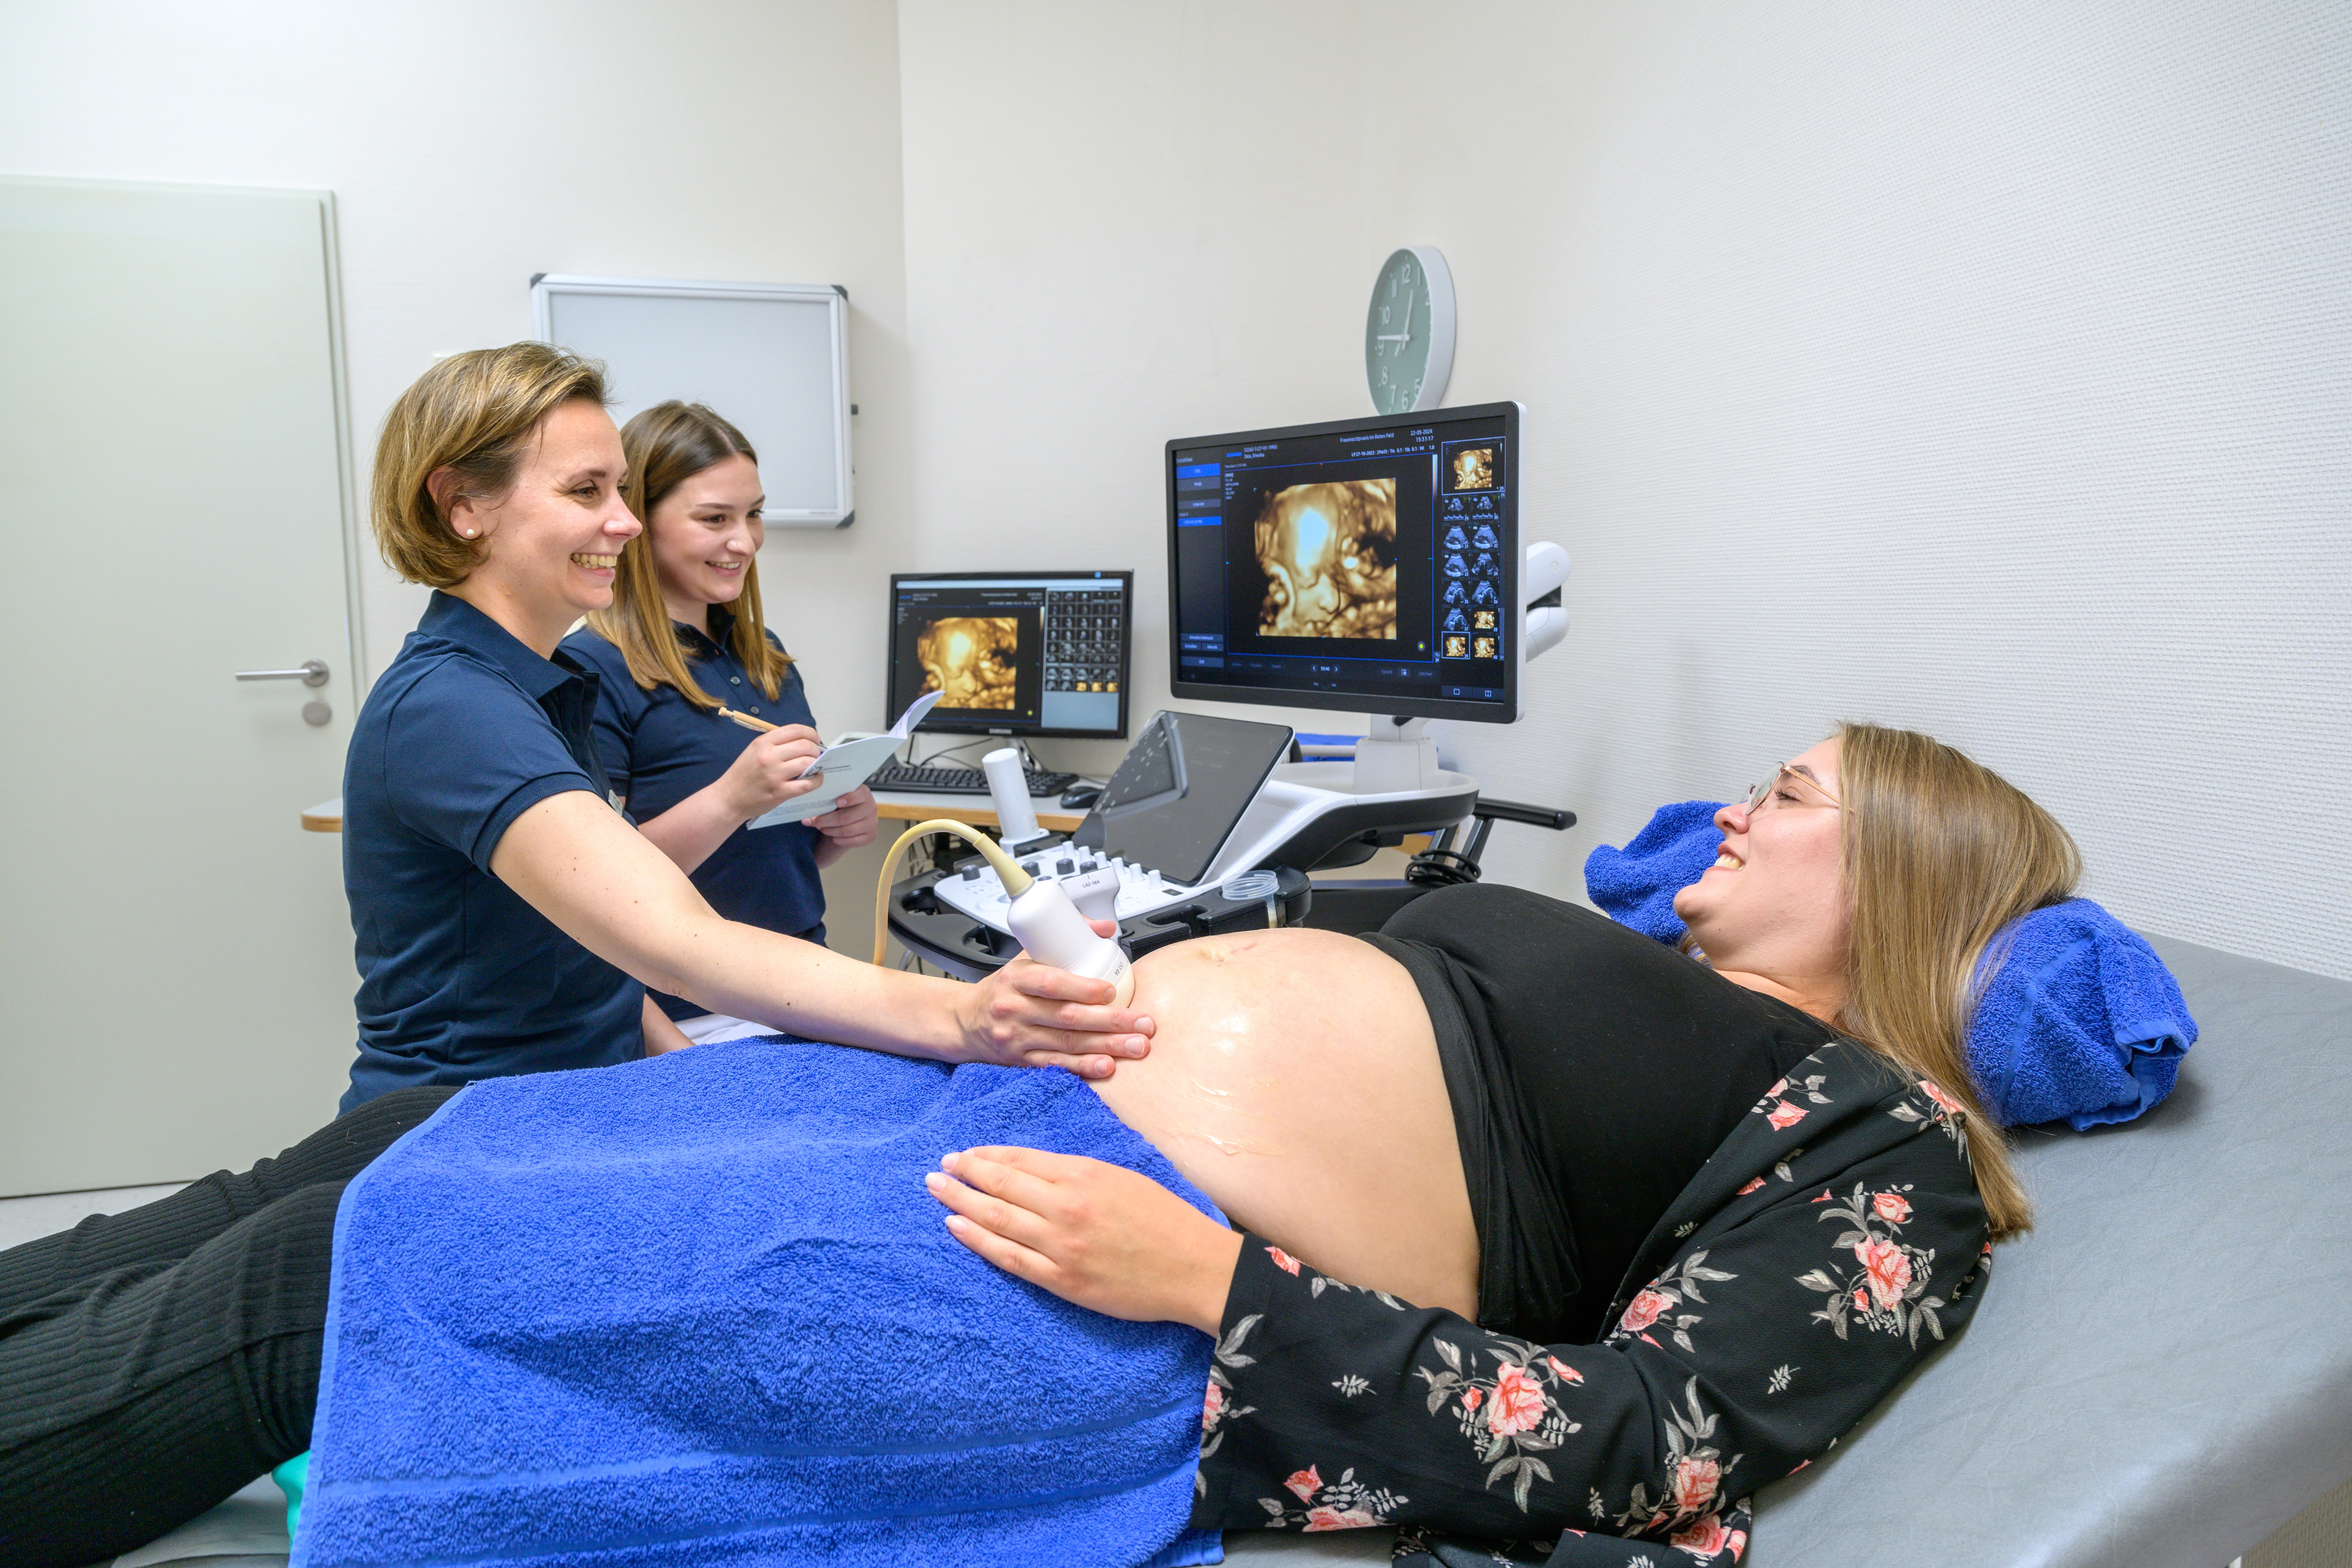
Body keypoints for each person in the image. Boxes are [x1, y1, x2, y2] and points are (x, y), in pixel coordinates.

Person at [0, 724, 2075, 1567]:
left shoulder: (1879, 1149)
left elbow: (1648, 1439)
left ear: (1901, 874)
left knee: (349, 1277)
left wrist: (1222, 1289)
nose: (1738, 805)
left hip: (1105, 1265)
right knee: (412, 1133)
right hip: (979, 1109)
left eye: (1793, 794)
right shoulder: (1667, 979)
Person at [338, 342, 1149, 1111]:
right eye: (586, 491)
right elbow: (674, 940)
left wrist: (698, 1082)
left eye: (622, 491)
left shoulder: (547, 685)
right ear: (463, 507)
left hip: (581, 1092)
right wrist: (964, 1016)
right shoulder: (453, 708)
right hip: (464, 1126)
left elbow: (601, 962)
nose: (625, 522)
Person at [558, 401, 874, 1045]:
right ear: (637, 521)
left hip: (800, 982)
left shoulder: (765, 656)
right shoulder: (590, 670)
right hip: (688, 1011)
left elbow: (764, 857)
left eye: (753, 514)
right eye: (715, 519)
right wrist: (731, 799)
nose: (745, 541)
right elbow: (598, 887)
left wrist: (837, 831)